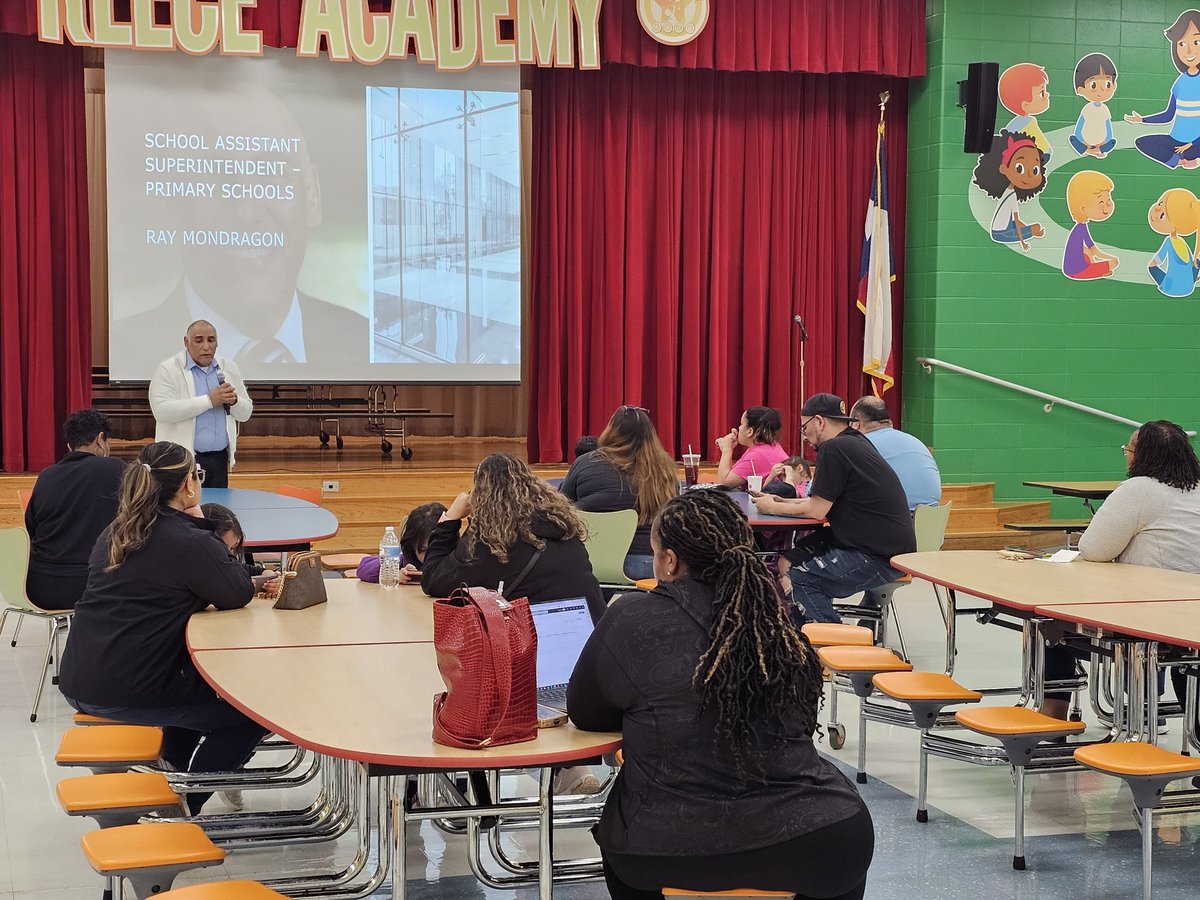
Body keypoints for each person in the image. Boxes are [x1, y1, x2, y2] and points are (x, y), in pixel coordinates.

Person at [567, 490, 873, 900]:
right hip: (815, 843)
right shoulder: (775, 625)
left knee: (623, 833)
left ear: (670, 561)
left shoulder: (631, 617)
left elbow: (585, 713)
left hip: (663, 851)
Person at [58, 442, 266, 815]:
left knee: (200, 693)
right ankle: (185, 803)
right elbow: (236, 592)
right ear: (189, 484)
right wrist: (201, 520)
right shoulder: (191, 541)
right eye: (197, 476)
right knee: (251, 714)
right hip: (128, 690)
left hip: (80, 677)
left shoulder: (117, 532)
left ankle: (170, 770)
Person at [1040, 421, 1200, 721]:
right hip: (1190, 621)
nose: (1126, 455)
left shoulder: (1138, 489)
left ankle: (1052, 715)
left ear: (1142, 456)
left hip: (1147, 623)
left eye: (1129, 449)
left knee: (1051, 624)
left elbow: (1093, 549)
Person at [752, 393, 914, 624]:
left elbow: (817, 510)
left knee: (801, 579)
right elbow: (823, 502)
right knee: (788, 561)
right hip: (872, 542)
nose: (805, 436)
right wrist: (779, 502)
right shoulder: (854, 441)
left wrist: (770, 508)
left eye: (804, 428)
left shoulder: (834, 448)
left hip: (877, 554)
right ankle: (801, 638)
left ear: (819, 421)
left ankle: (836, 648)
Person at [421, 453, 604, 622]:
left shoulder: (494, 540)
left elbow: (435, 580)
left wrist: (449, 520)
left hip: (544, 638)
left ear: (480, 496)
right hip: (592, 631)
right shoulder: (561, 525)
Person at [23, 409, 127, 610]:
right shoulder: (115, 469)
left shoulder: (47, 475)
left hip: (38, 586)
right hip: (92, 586)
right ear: (100, 439)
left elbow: (32, 528)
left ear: (70, 444)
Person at [561, 406, 678, 580]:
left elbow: (559, 509)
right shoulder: (666, 469)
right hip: (651, 566)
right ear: (650, 435)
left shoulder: (586, 462)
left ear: (611, 430)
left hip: (595, 563)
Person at [149, 319, 253, 488]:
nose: (206, 346)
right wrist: (209, 401)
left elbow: (246, 413)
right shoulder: (168, 369)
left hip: (219, 459)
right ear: (186, 342)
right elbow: (162, 411)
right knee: (183, 511)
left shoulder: (228, 368)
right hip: (181, 461)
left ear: (217, 343)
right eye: (199, 340)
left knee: (215, 510)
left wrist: (235, 401)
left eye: (211, 340)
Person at [1125, 10, 1200, 169]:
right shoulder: (1180, 82)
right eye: (1182, 44)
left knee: (1192, 149)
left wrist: (1191, 144)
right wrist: (1142, 120)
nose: (1188, 51)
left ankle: (1192, 157)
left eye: (1196, 42)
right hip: (1176, 142)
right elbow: (1168, 115)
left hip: (1195, 144)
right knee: (1142, 142)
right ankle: (1179, 161)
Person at [848, 396, 942, 511]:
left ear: (856, 424)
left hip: (891, 523)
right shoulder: (916, 442)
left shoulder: (861, 446)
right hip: (931, 523)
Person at [972, 130, 1048, 251]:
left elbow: (1014, 222)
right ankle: (1033, 232)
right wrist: (1024, 241)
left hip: (1004, 229)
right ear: (1003, 169)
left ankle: (1032, 231)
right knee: (1035, 228)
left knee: (1033, 228)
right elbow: (1017, 222)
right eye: (1020, 168)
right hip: (1002, 234)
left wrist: (1027, 229)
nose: (1029, 175)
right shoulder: (1011, 196)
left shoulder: (1009, 192)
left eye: (1035, 170)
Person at [355, 501, 448, 583]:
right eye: (423, 550)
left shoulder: (456, 561)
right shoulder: (408, 560)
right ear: (412, 547)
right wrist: (393, 574)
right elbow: (363, 568)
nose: (430, 555)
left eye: (436, 548)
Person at [1062, 170, 1119, 280]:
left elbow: (1092, 250)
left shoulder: (1081, 227)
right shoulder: (1080, 229)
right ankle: (1098, 271)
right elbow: (1095, 251)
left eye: (1108, 199)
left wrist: (1104, 258)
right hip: (1078, 270)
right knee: (1114, 263)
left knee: (1085, 250)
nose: (1108, 204)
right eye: (1101, 202)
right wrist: (1111, 259)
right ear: (1083, 209)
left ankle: (1098, 270)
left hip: (1074, 268)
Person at [714, 406, 788, 488]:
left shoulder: (757, 455)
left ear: (750, 431)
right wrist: (729, 448)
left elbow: (723, 484)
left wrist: (726, 450)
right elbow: (732, 475)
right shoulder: (770, 446)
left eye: (741, 424)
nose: (738, 428)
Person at [1146, 188, 1200, 298]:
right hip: (1189, 287)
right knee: (1196, 261)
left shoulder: (1169, 241)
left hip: (1171, 288)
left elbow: (1155, 263)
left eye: (1162, 215)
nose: (1156, 209)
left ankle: (1168, 284)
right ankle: (1190, 280)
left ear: (1175, 226)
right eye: (1160, 203)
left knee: (1151, 267)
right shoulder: (1183, 243)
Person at [998, 62, 1052, 162]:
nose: (1047, 94)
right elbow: (1045, 150)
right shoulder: (1027, 123)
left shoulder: (1015, 125)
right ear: (1025, 105)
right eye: (1042, 93)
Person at [1070, 53, 1117, 158]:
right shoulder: (1087, 109)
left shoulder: (1105, 109)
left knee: (1112, 142)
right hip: (1086, 141)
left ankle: (1098, 150)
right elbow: (1079, 128)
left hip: (1101, 142)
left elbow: (1108, 129)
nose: (1100, 90)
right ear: (1080, 90)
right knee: (1073, 139)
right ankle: (1089, 150)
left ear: (1114, 86)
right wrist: (1084, 141)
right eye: (1093, 85)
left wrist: (1104, 142)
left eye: (1107, 84)